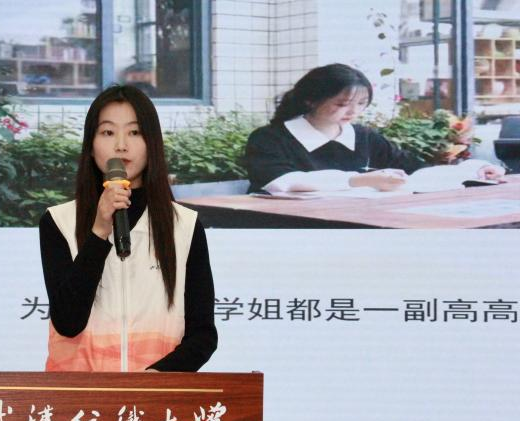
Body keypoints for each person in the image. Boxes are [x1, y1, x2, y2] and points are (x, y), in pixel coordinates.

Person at [39, 84, 217, 372]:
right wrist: (99, 232)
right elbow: (68, 323)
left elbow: (202, 335)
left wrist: (151, 383)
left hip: (154, 396)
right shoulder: (59, 222)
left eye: (135, 132)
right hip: (78, 396)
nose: (121, 145)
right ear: (91, 144)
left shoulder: (184, 226)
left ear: (152, 143)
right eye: (108, 132)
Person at [245, 63, 505, 194]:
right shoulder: (271, 138)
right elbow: (280, 182)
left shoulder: (364, 137)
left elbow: (416, 170)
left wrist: (473, 170)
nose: (353, 112)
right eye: (342, 104)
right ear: (310, 99)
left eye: (361, 104)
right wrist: (358, 181)